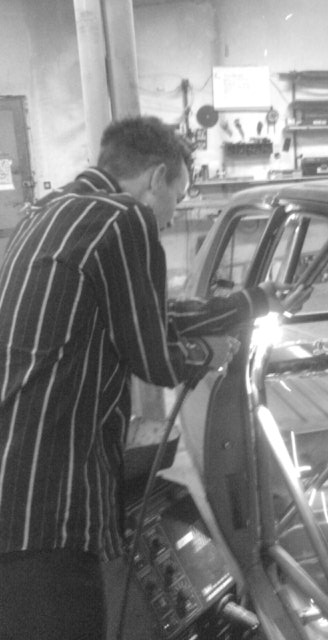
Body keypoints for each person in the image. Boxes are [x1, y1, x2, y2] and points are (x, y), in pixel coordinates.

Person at [0, 116, 289, 639]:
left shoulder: (51, 211)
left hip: (14, 489)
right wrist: (206, 352)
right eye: (177, 197)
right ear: (156, 177)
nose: (171, 217)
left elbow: (144, 316)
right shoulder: (122, 218)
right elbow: (155, 359)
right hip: (48, 507)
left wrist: (249, 303)